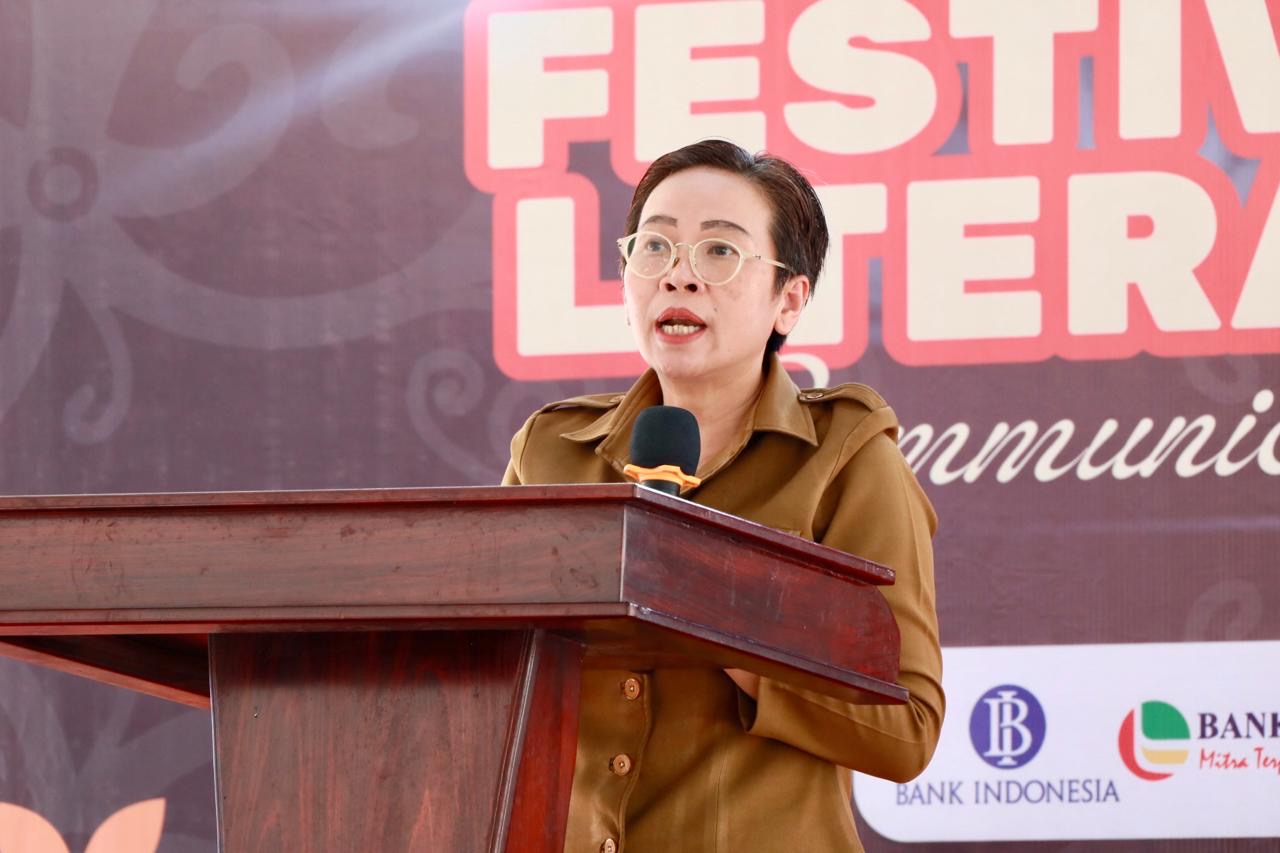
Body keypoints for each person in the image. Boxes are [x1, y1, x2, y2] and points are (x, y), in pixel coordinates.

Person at [503, 139, 942, 852]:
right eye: (655, 247)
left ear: (788, 300)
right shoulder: (552, 451)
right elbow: (494, 686)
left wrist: (717, 620)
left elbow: (908, 729)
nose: (678, 275)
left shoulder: (844, 457)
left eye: (719, 252)